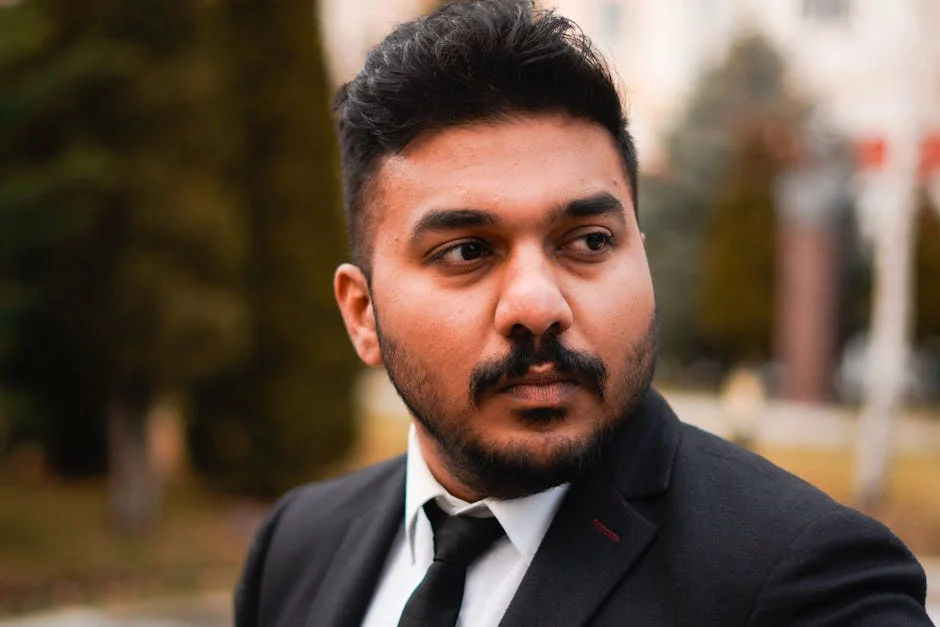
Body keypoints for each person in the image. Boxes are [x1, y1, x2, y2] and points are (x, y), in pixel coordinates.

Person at [234, 1, 932, 625]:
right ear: (363, 315)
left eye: (589, 242)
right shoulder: (297, 546)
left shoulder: (807, 583)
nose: (539, 305)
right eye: (467, 251)